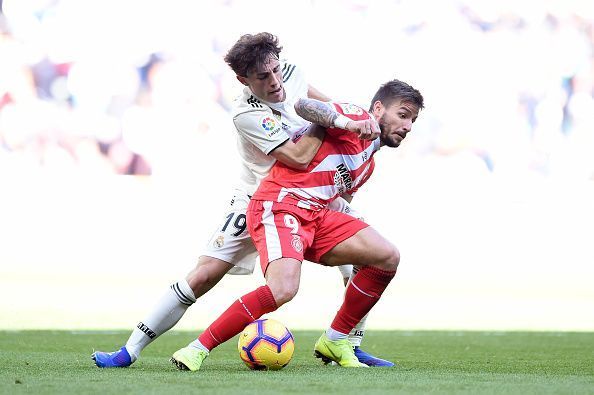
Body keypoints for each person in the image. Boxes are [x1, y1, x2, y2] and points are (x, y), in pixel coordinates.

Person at [92, 32, 392, 368]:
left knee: (368, 260)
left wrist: (338, 118)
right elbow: (299, 156)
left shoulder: (292, 74)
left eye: (277, 70)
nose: (276, 82)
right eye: (263, 77)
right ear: (243, 80)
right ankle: (129, 350)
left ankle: (347, 344)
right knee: (204, 276)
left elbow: (326, 106)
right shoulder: (245, 113)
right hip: (261, 199)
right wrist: (330, 123)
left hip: (312, 195)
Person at [169, 79, 424, 370]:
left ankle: (336, 339)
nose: (408, 126)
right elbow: (304, 105)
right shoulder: (355, 115)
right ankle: (196, 349)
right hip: (280, 204)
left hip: (315, 215)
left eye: (413, 120)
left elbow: (338, 199)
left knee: (386, 256)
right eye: (403, 115)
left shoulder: (368, 165)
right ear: (378, 108)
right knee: (283, 289)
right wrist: (346, 123)